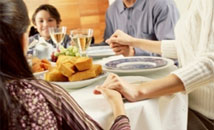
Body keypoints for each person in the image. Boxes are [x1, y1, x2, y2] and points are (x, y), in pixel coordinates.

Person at [0, 0, 130, 129]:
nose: (46, 24)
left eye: (50, 20)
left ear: (57, 22)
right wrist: (118, 107)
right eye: (41, 21)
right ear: (24, 40)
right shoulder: (42, 94)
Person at [95, 0, 214, 129]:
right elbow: (187, 47)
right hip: (189, 105)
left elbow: (211, 62)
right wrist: (133, 42)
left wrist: (139, 90)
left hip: (204, 116)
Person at [102, 0, 179, 57]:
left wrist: (133, 52)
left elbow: (174, 51)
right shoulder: (112, 10)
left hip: (161, 74)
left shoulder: (163, 4)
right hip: (125, 73)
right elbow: (108, 45)